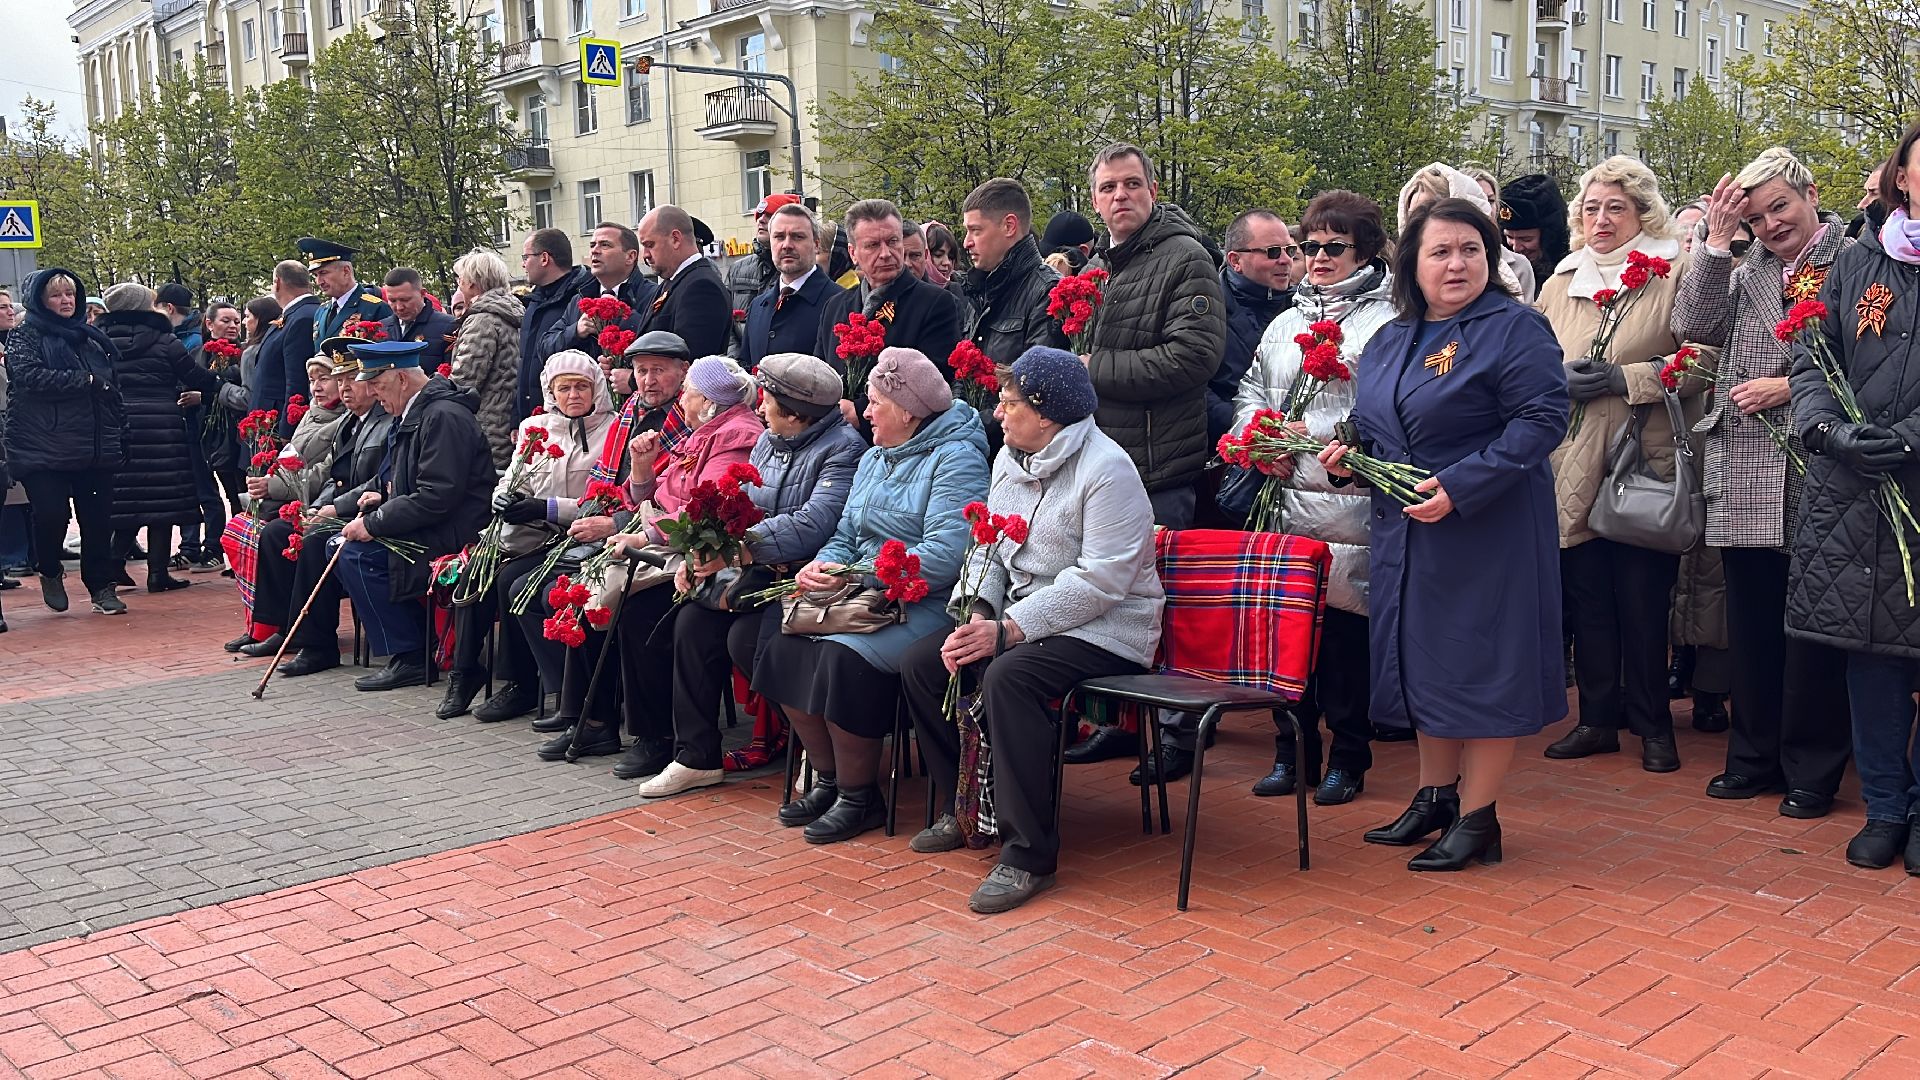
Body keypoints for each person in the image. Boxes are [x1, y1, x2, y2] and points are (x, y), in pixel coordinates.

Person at [1322, 197, 1570, 871]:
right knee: (1425, 659)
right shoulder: (1390, 337)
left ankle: (1480, 815)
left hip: (1486, 528)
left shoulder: (1514, 328)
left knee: (1482, 665)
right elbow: (1376, 425)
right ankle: (1434, 795)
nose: (1456, 264)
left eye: (1470, 250)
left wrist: (1462, 486)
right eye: (1440, 251)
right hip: (1409, 531)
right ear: (1413, 263)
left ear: (1490, 259)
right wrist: (1352, 461)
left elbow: (1542, 421)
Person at [900, 346, 1162, 912]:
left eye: (1009, 403)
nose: (998, 413)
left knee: (1009, 678)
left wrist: (1012, 629)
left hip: (1108, 628)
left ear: (1046, 414)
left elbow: (1103, 581)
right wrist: (975, 610)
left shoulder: (1107, 469)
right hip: (1024, 618)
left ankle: (1028, 855)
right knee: (925, 662)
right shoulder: (1010, 459)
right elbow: (988, 545)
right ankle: (964, 807)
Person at [1672, 147, 1854, 819]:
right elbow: (1692, 327)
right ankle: (1754, 758)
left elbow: (1876, 354)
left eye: (1782, 205)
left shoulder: (1855, 257)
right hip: (1746, 461)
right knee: (1752, 620)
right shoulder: (1744, 268)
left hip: (1820, 460)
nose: (1773, 222)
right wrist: (1715, 242)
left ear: (1810, 193)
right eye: (1759, 214)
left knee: (1814, 626)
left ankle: (1814, 770)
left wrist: (1793, 384)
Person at [758, 347, 990, 843]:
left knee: (842, 661)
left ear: (907, 411)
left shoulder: (957, 458)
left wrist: (857, 573)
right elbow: (844, 531)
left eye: (875, 402)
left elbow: (947, 554)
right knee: (783, 647)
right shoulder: (873, 457)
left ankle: (861, 797)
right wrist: (823, 564)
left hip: (924, 603)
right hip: (863, 593)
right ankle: (831, 779)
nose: (865, 413)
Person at [1538, 155, 1706, 774]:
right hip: (1571, 457)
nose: (1600, 218)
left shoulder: (1674, 273)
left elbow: (1701, 360)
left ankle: (1653, 724)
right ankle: (1597, 719)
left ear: (1642, 213)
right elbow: (1531, 359)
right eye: (1591, 207)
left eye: (1616, 207)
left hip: (1643, 459)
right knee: (1588, 600)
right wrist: (1557, 379)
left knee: (1641, 599)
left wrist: (1626, 378)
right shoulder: (1559, 281)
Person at [1228, 190, 1396, 803]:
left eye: (1334, 247)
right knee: (1286, 637)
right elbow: (1249, 389)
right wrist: (1257, 435)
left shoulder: (1385, 322)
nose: (1318, 258)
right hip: (1282, 503)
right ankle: (1290, 750)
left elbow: (1384, 414)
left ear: (1366, 251)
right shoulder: (1284, 319)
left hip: (1346, 506)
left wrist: (1317, 436)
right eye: (1310, 246)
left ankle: (1349, 757)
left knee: (1345, 643)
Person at [1786, 121, 1920, 870]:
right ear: (1902, 177)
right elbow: (1811, 358)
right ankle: (1886, 805)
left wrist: (1909, 438)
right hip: (1856, 490)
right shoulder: (1856, 262)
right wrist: (1828, 431)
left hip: (1914, 477)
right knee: (1871, 655)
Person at [643, 353, 868, 798]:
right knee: (691, 625)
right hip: (754, 568)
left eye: (768, 401)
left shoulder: (844, 449)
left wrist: (736, 551)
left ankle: (811, 746)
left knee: (747, 640)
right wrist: (701, 551)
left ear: (797, 413)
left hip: (804, 574)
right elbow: (741, 504)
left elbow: (815, 522)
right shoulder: (769, 440)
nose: (759, 408)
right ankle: (697, 757)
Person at [523, 356, 764, 770]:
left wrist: (646, 534)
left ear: (707, 401)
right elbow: (647, 498)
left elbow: (705, 511)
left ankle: (655, 736)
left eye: (688, 390)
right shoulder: (702, 432)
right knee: (585, 595)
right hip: (663, 547)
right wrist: (641, 468)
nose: (683, 398)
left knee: (636, 612)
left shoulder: (735, 436)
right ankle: (592, 719)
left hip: (697, 558)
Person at [475, 330, 696, 726]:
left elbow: (672, 501)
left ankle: (591, 710)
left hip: (650, 541)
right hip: (598, 527)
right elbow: (605, 485)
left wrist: (607, 521)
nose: (648, 380)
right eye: (642, 371)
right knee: (516, 584)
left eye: (659, 371)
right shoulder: (632, 411)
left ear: (683, 372)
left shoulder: (681, 420)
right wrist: (512, 500)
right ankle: (567, 699)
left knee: (553, 593)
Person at [440, 352, 618, 720]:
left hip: (577, 537)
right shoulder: (535, 427)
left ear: (596, 388)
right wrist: (503, 498)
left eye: (582, 386)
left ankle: (522, 683)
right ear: (550, 391)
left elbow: (602, 502)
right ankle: (464, 672)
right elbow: (510, 477)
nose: (573, 395)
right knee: (476, 570)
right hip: (527, 534)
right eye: (563, 388)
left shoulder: (611, 430)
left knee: (512, 581)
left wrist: (547, 507)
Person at [333, 340, 494, 691]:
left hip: (453, 531)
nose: (373, 393)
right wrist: (348, 506)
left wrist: (374, 523)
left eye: (377, 384)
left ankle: (411, 655)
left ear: (402, 379)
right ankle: (409, 647)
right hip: (431, 523)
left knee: (358, 556)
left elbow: (437, 495)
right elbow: (396, 478)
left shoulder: (443, 416)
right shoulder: (414, 412)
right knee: (336, 542)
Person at [1083, 143, 1226, 531]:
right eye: (1108, 187)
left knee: (1151, 591)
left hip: (1155, 474)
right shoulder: (1092, 270)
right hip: (1091, 467)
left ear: (1153, 191)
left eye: (1132, 183)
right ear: (1095, 201)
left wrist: (1094, 368)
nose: (1120, 195)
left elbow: (1193, 357)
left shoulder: (1186, 257)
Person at [3, 268, 129, 616]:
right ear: (40, 300)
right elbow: (28, 376)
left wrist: (122, 432)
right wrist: (84, 380)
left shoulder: (89, 337)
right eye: (56, 295)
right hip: (42, 444)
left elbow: (111, 388)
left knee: (98, 520)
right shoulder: (24, 336)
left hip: (93, 444)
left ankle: (101, 586)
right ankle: (49, 569)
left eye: (70, 294)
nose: (65, 301)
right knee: (51, 515)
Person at [96, 283, 228, 594]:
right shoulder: (164, 339)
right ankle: (157, 574)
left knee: (129, 499)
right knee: (163, 501)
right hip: (163, 427)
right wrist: (222, 381)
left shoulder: (99, 342)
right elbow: (193, 376)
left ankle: (114, 564)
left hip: (120, 426)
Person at [269, 352, 395, 675]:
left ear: (371, 383)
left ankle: (318, 646)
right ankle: (280, 628)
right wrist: (314, 508)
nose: (346, 388)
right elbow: (331, 476)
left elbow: (380, 479)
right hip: (341, 509)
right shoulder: (349, 424)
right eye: (340, 381)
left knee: (314, 543)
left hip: (368, 510)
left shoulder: (385, 421)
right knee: (276, 533)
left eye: (351, 380)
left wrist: (333, 509)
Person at [227, 352, 351, 658]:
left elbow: (325, 471)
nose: (317, 387)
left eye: (326, 379)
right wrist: (266, 479)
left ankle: (298, 633)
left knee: (287, 536)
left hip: (320, 501)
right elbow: (289, 458)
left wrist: (273, 486)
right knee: (253, 532)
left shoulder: (343, 420)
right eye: (313, 380)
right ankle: (269, 625)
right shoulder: (312, 414)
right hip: (296, 497)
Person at [813, 200, 963, 371]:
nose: (885, 254)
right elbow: (820, 378)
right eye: (873, 245)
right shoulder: (834, 307)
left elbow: (931, 384)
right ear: (853, 253)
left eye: (892, 242)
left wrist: (856, 400)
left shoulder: (935, 304)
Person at [960, 178, 1068, 373]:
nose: (966, 242)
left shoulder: (1048, 292)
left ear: (1009, 226)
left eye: (975, 230)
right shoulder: (980, 288)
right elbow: (964, 377)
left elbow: (1036, 385)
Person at [1212, 208, 1295, 444]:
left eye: (1289, 251)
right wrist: (1253, 431)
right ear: (1235, 260)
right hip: (1232, 449)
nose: (1285, 260)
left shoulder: (1302, 308)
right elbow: (1195, 391)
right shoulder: (1208, 309)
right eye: (1272, 252)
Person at [178, 301, 249, 574]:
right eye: (226, 321)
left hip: (231, 433)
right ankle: (212, 547)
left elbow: (240, 391)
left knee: (236, 493)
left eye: (236, 321)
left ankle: (240, 552)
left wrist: (204, 396)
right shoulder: (197, 353)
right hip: (198, 431)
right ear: (209, 324)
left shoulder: (242, 355)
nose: (232, 326)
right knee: (206, 493)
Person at [1399, 163, 1536, 302]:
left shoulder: (1514, 318)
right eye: (1415, 213)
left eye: (1470, 249)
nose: (1456, 265)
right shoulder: (1396, 304)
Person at [446, 248, 526, 468]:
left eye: (460, 279)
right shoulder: (514, 311)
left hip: (486, 424)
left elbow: (465, 380)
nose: (459, 285)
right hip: (508, 418)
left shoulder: (482, 319)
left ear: (472, 283)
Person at [741, 203, 836, 370]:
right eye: (779, 237)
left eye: (797, 237)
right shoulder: (758, 306)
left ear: (816, 244)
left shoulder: (839, 304)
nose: (786, 245)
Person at [517, 228, 595, 420]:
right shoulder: (534, 302)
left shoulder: (581, 299)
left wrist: (573, 332)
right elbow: (525, 362)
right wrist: (517, 417)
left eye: (526, 257)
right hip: (532, 419)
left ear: (544, 258)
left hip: (568, 415)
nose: (523, 264)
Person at [636, 205, 732, 360]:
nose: (645, 255)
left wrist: (631, 379)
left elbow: (688, 361)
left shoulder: (701, 287)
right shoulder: (676, 281)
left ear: (675, 239)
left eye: (650, 245)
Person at [251, 261, 320, 416]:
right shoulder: (294, 314)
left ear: (277, 282)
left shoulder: (302, 317)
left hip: (278, 416)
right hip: (269, 414)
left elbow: (296, 380)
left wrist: (287, 428)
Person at [302, 237, 394, 353]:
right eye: (315, 275)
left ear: (346, 271)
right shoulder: (321, 311)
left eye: (323, 273)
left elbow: (384, 357)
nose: (319, 281)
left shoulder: (376, 308)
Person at [728, 193, 801, 314]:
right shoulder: (737, 269)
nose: (761, 220)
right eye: (760, 214)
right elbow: (724, 318)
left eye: (769, 215)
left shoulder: (799, 268)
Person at [378, 268, 458, 370]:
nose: (399, 307)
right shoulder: (380, 329)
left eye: (405, 300)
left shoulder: (449, 327)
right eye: (392, 301)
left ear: (422, 293)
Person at [1500, 173, 1572, 287]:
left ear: (1549, 237)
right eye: (1509, 237)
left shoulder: (1571, 273)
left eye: (1526, 239)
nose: (1516, 248)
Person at [155, 283, 203, 353]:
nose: (154, 312)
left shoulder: (195, 343)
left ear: (169, 308)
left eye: (156, 307)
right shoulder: (176, 335)